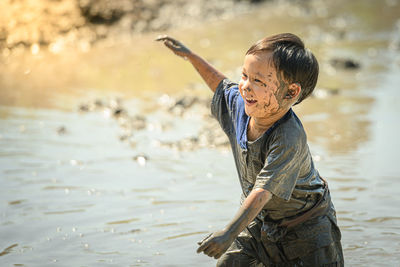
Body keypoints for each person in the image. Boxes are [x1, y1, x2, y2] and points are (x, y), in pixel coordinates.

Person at [156, 33, 344, 266]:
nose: (245, 87)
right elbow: (221, 85)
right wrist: (191, 56)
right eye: (244, 75)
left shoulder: (289, 137)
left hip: (307, 230)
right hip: (261, 221)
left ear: (291, 92)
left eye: (259, 82)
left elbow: (262, 192)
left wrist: (229, 232)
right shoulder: (241, 108)